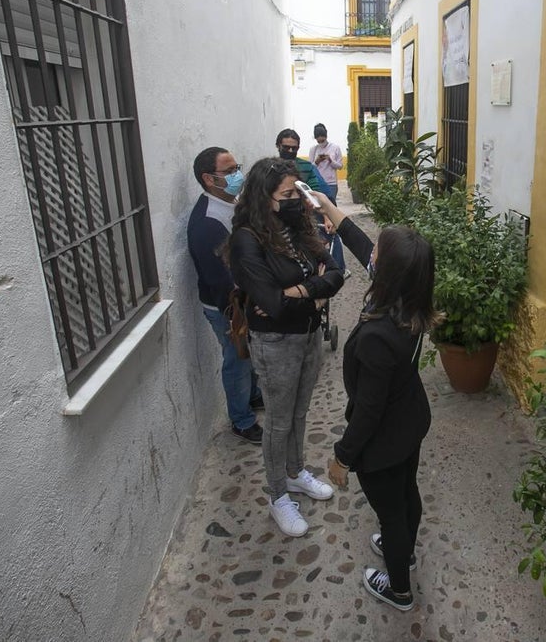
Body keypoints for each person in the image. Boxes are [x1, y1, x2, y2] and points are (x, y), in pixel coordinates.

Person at [317, 191, 437, 612]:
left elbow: (367, 412)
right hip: (411, 421)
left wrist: (341, 459)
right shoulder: (412, 298)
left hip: (383, 439)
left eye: (380, 254)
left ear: (385, 271)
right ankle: (401, 546)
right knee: (407, 493)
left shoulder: (377, 336)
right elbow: (359, 242)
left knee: (391, 510)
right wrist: (326, 205)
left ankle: (399, 588)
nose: (373, 254)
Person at [228, 158, 344, 537]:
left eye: (298, 192)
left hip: (309, 334)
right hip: (275, 342)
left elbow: (337, 271)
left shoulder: (297, 225)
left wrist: (303, 295)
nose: (297, 199)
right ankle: (278, 495)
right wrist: (314, 290)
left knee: (299, 412)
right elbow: (273, 305)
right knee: (278, 422)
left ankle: (295, 473)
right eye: (288, 193)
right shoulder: (247, 239)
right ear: (265, 197)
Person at [187, 146, 264, 444]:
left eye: (237, 168)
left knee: (249, 353)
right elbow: (220, 280)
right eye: (229, 171)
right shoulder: (206, 224)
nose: (237, 175)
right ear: (209, 179)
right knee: (237, 359)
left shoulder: (230, 202)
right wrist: (241, 309)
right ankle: (242, 421)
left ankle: (253, 396)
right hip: (227, 307)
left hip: (242, 298)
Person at [277, 128, 347, 276]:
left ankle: (336, 270)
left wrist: (328, 217)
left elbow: (317, 194)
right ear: (278, 146)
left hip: (305, 217)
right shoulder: (270, 169)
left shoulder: (306, 167)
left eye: (294, 148)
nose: (290, 151)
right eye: (286, 147)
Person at [309, 123, 344, 205]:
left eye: (323, 141)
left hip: (331, 183)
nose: (321, 143)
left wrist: (330, 160)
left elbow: (340, 166)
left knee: (331, 207)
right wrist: (317, 161)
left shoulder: (335, 147)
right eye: (319, 141)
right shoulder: (313, 149)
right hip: (317, 183)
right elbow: (310, 168)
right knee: (319, 208)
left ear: (326, 137)